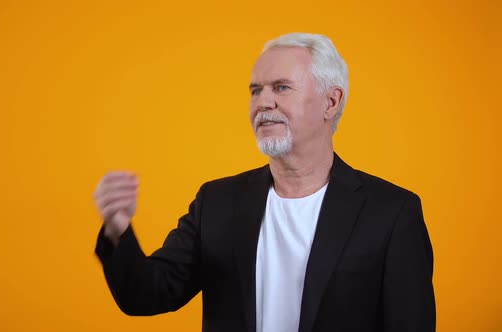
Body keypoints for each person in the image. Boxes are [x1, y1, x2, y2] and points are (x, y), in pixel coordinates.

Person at [93, 32, 436, 332]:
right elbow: (148, 294)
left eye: (281, 88)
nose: (263, 102)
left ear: (331, 102)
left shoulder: (392, 212)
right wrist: (117, 228)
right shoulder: (217, 201)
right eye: (255, 91)